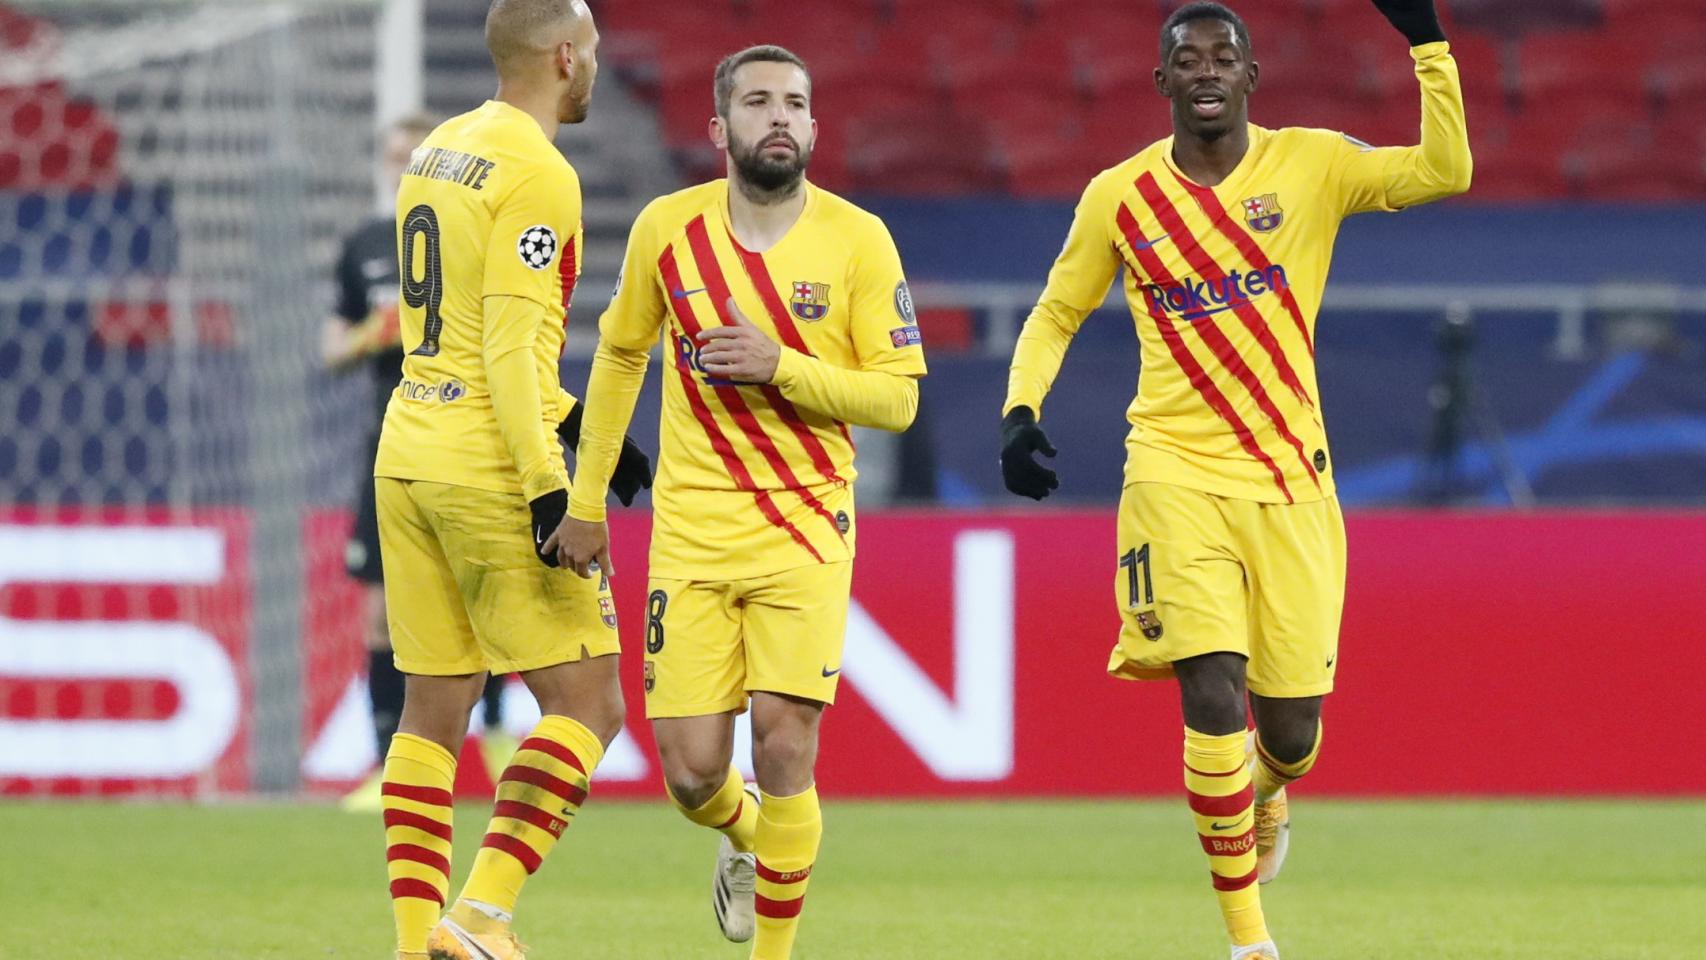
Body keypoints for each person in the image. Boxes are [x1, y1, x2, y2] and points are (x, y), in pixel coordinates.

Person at [997, 3, 1470, 958]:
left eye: (1225, 56)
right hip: (1171, 473)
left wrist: (1428, 42)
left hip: (1292, 481)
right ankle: (1249, 940)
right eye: (1187, 58)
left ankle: (1270, 786)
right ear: (1161, 82)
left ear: (1252, 77)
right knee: (1211, 689)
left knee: (1292, 731)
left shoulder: (1312, 164)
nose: (1206, 69)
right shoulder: (1119, 196)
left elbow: (1444, 170)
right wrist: (1021, 411)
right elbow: (1056, 311)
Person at [553, 44, 927, 960]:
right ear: (720, 129)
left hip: (807, 529)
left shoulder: (857, 239)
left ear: (814, 125)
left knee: (786, 741)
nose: (780, 118)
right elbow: (619, 357)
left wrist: (783, 367)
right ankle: (746, 835)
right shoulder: (667, 230)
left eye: (796, 104)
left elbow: (900, 397)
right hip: (692, 535)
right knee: (690, 774)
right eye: (758, 103)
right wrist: (588, 497)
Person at [370, 2, 650, 958]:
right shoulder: (540, 171)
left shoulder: (441, 147)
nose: (598, 69)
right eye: (597, 54)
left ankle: (417, 944)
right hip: (487, 464)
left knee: (431, 710)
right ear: (565, 56)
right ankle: (482, 915)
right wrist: (552, 481)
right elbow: (506, 340)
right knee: (590, 705)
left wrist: (576, 418)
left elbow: (451, 327)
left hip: (407, 447)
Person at [321, 113, 518, 812]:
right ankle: (384, 769)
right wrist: (370, 335)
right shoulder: (366, 246)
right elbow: (331, 347)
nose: (406, 165)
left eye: (418, 155)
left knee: (482, 600)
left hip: (466, 436)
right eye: (397, 155)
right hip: (389, 445)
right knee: (380, 614)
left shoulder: (471, 234)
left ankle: (495, 734)